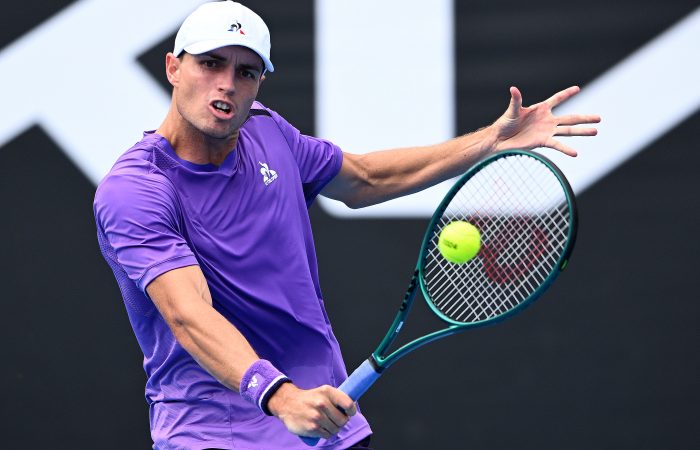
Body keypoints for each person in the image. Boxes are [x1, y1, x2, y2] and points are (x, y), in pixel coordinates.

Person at [93, 1, 600, 449]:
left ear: (259, 83)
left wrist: (489, 141)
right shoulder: (136, 189)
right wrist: (279, 396)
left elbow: (366, 178)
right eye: (210, 63)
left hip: (327, 423)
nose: (226, 83)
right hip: (216, 434)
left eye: (246, 72)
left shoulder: (268, 132)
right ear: (173, 67)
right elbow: (188, 314)